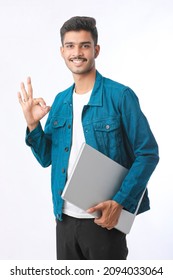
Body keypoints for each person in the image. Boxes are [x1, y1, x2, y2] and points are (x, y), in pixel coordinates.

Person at [18, 16, 159, 260]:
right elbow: (45, 158)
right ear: (62, 52)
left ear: (96, 49)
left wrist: (119, 202)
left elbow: (148, 154)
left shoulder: (121, 96)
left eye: (84, 45)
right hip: (64, 221)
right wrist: (33, 124)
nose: (77, 52)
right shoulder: (61, 101)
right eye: (70, 46)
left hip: (104, 221)